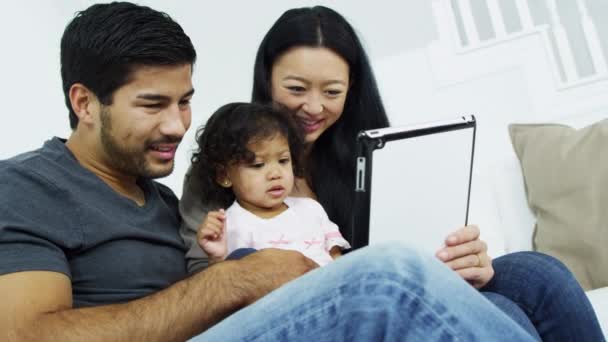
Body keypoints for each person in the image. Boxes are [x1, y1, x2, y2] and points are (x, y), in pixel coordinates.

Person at [0, 2, 540, 341]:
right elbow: (24, 336)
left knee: (530, 278)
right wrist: (238, 277)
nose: (177, 124)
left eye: (185, 101)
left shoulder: (160, 202)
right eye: (152, 104)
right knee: (385, 274)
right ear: (86, 102)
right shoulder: (24, 187)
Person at [179, 5, 604, 341]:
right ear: (266, 80)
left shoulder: (371, 154)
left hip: (403, 286)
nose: (313, 107)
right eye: (295, 89)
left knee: (538, 272)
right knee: (504, 312)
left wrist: (464, 257)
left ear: (352, 90)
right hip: (326, 308)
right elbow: (206, 288)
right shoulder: (224, 162)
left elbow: (408, 252)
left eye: (332, 92)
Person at [191, 102, 350, 266]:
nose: (276, 174)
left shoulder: (311, 209)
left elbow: (336, 258)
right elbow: (229, 284)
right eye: (258, 165)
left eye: (283, 161)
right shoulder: (230, 226)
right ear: (224, 175)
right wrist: (216, 258)